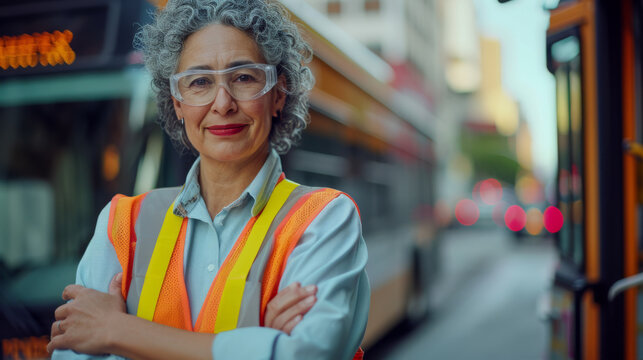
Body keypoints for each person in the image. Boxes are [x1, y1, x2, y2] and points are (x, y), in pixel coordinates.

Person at [47, 0, 370, 359]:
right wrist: (261, 341)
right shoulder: (122, 225)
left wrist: (119, 331)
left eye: (244, 77)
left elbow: (308, 354)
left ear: (278, 94)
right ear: (178, 102)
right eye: (199, 82)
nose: (223, 103)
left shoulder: (325, 219)